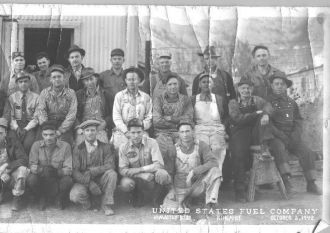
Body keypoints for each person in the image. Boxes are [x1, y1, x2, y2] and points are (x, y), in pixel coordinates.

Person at [266, 72, 322, 195]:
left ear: (286, 86)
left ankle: (311, 183)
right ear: (272, 86)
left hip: (292, 137)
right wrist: (281, 136)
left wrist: (295, 135)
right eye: (276, 84)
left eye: (282, 84)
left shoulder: (291, 102)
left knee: (306, 151)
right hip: (277, 137)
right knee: (279, 149)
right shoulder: (268, 102)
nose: (279, 86)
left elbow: (298, 120)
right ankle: (287, 182)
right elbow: (268, 123)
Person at [228, 79, 274, 202]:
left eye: (248, 88)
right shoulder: (233, 102)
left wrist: (265, 114)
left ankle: (264, 148)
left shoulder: (257, 100)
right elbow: (237, 119)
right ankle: (240, 190)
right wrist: (256, 114)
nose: (246, 90)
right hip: (240, 131)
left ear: (252, 89)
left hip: (255, 132)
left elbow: (268, 106)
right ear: (238, 90)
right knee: (239, 155)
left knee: (263, 123)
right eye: (243, 88)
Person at [162, 121, 221, 209]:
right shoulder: (173, 149)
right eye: (182, 132)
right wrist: (171, 190)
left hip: (197, 185)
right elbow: (169, 172)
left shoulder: (201, 145)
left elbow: (213, 162)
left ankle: (211, 203)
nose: (185, 134)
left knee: (216, 171)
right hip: (181, 188)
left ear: (192, 132)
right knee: (171, 209)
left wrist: (194, 171)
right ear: (178, 134)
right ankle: (187, 201)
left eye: (187, 131)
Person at [118, 118, 171, 207]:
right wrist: (140, 174)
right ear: (128, 133)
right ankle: (136, 195)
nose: (136, 135)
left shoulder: (152, 142)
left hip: (151, 177)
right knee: (125, 184)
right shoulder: (124, 147)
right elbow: (122, 170)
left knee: (163, 174)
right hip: (135, 178)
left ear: (143, 132)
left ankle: (157, 198)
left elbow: (159, 164)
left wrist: (142, 169)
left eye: (139, 132)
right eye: (133, 133)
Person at [70, 119, 117, 216]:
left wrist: (92, 171)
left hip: (101, 179)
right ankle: (89, 204)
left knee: (112, 174)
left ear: (97, 132)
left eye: (92, 130)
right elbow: (75, 171)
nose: (90, 133)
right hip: (84, 180)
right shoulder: (78, 149)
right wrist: (89, 183)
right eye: (87, 130)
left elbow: (110, 165)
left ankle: (106, 204)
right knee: (74, 196)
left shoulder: (106, 147)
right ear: (83, 133)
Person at [27, 120, 73, 210]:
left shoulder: (66, 146)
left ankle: (58, 198)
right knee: (31, 179)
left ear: (56, 134)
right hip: (42, 179)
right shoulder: (36, 145)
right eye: (45, 135)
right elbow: (32, 166)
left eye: (51, 134)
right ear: (42, 135)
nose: (48, 138)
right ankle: (42, 197)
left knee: (68, 180)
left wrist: (55, 172)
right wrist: (43, 170)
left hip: (57, 179)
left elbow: (69, 169)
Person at [153, 75, 193, 177]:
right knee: (166, 150)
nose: (173, 86)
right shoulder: (159, 99)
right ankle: (167, 180)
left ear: (179, 85)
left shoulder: (185, 99)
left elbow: (188, 118)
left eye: (175, 84)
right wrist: (179, 120)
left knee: (185, 149)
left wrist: (171, 118)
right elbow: (157, 120)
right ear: (165, 86)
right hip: (162, 132)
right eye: (170, 84)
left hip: (180, 131)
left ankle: (184, 178)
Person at [191, 73, 228, 172]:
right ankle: (202, 175)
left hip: (217, 128)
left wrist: (225, 129)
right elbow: (190, 117)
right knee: (202, 148)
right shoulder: (194, 99)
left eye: (209, 82)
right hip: (200, 128)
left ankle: (216, 175)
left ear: (213, 85)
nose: (206, 84)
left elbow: (226, 116)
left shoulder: (219, 99)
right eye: (204, 82)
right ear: (199, 84)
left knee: (218, 148)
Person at [112, 66, 152, 152]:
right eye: (129, 79)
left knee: (146, 146)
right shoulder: (119, 96)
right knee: (120, 146)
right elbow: (116, 117)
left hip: (141, 131)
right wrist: (126, 131)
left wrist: (138, 130)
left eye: (134, 79)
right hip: (123, 131)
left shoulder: (146, 97)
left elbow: (149, 117)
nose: (131, 82)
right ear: (125, 80)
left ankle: (142, 165)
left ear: (139, 80)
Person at [36, 64, 77, 145]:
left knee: (64, 144)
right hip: (48, 122)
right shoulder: (44, 92)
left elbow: (72, 114)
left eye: (59, 76)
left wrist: (60, 130)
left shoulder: (71, 93)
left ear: (64, 78)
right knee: (39, 143)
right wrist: (47, 128)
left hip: (64, 123)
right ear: (50, 79)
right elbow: (41, 111)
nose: (57, 79)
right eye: (54, 77)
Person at [75, 68, 114, 145]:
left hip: (100, 128)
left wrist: (105, 123)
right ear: (83, 82)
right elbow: (74, 114)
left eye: (91, 79)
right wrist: (78, 127)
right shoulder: (78, 95)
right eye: (86, 80)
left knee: (103, 148)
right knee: (80, 147)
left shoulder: (107, 94)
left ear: (96, 78)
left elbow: (112, 113)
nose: (89, 82)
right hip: (84, 128)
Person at [0, 118, 29, 211]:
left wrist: (6, 166)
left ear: (5, 133)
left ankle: (17, 199)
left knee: (22, 170)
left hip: (11, 172)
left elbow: (23, 159)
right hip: (2, 176)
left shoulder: (13, 142)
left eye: (0, 133)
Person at [7, 71, 39, 153]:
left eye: (25, 81)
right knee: (13, 143)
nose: (23, 84)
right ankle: (15, 163)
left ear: (29, 83)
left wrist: (26, 129)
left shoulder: (36, 97)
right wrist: (16, 128)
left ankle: (26, 163)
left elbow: (36, 118)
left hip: (30, 125)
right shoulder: (12, 97)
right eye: (20, 82)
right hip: (16, 125)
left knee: (28, 144)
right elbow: (12, 116)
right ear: (17, 84)